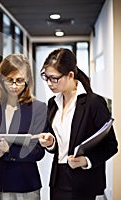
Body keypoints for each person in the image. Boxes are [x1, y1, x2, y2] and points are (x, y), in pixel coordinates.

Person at [37, 48, 118, 200]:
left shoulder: (93, 103)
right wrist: (50, 143)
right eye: (46, 77)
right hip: (58, 179)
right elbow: (57, 145)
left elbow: (111, 145)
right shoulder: (53, 104)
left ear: (70, 75)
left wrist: (86, 161)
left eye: (54, 78)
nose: (49, 83)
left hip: (84, 181)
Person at [0, 54, 47, 200]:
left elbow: (38, 152)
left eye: (19, 80)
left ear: (27, 80)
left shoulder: (38, 108)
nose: (14, 86)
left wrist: (8, 151)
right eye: (9, 80)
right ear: (1, 79)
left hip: (26, 185)